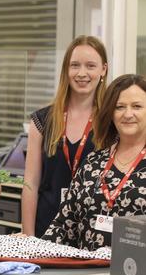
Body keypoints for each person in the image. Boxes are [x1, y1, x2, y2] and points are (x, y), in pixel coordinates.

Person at [42, 74, 146, 250]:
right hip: (86, 273)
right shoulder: (93, 162)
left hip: (135, 274)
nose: (128, 114)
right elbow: (64, 225)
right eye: (119, 107)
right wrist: (31, 249)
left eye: (137, 106)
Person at [22, 36, 108, 237]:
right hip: (47, 229)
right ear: (66, 70)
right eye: (75, 65)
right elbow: (31, 184)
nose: (82, 73)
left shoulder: (110, 121)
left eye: (90, 66)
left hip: (94, 232)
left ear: (103, 69)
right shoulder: (42, 120)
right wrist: (28, 237)